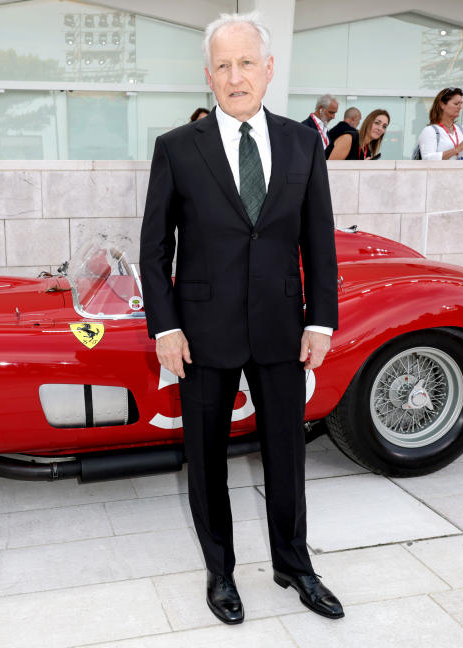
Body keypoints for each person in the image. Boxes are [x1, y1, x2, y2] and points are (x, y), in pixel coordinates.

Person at [140, 11, 342, 626]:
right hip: (202, 334)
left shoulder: (306, 143)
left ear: (269, 69)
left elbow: (319, 239)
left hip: (283, 328)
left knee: (287, 453)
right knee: (205, 460)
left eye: (246, 62)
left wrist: (321, 321)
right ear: (209, 76)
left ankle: (294, 564)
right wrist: (164, 327)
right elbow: (154, 248)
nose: (235, 76)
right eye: (223, 66)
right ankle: (221, 571)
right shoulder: (177, 148)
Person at [416, 87, 463, 160]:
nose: (460, 107)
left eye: (461, 104)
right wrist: (456, 149)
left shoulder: (461, 129)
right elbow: (427, 159)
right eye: (456, 104)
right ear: (442, 105)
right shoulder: (430, 131)